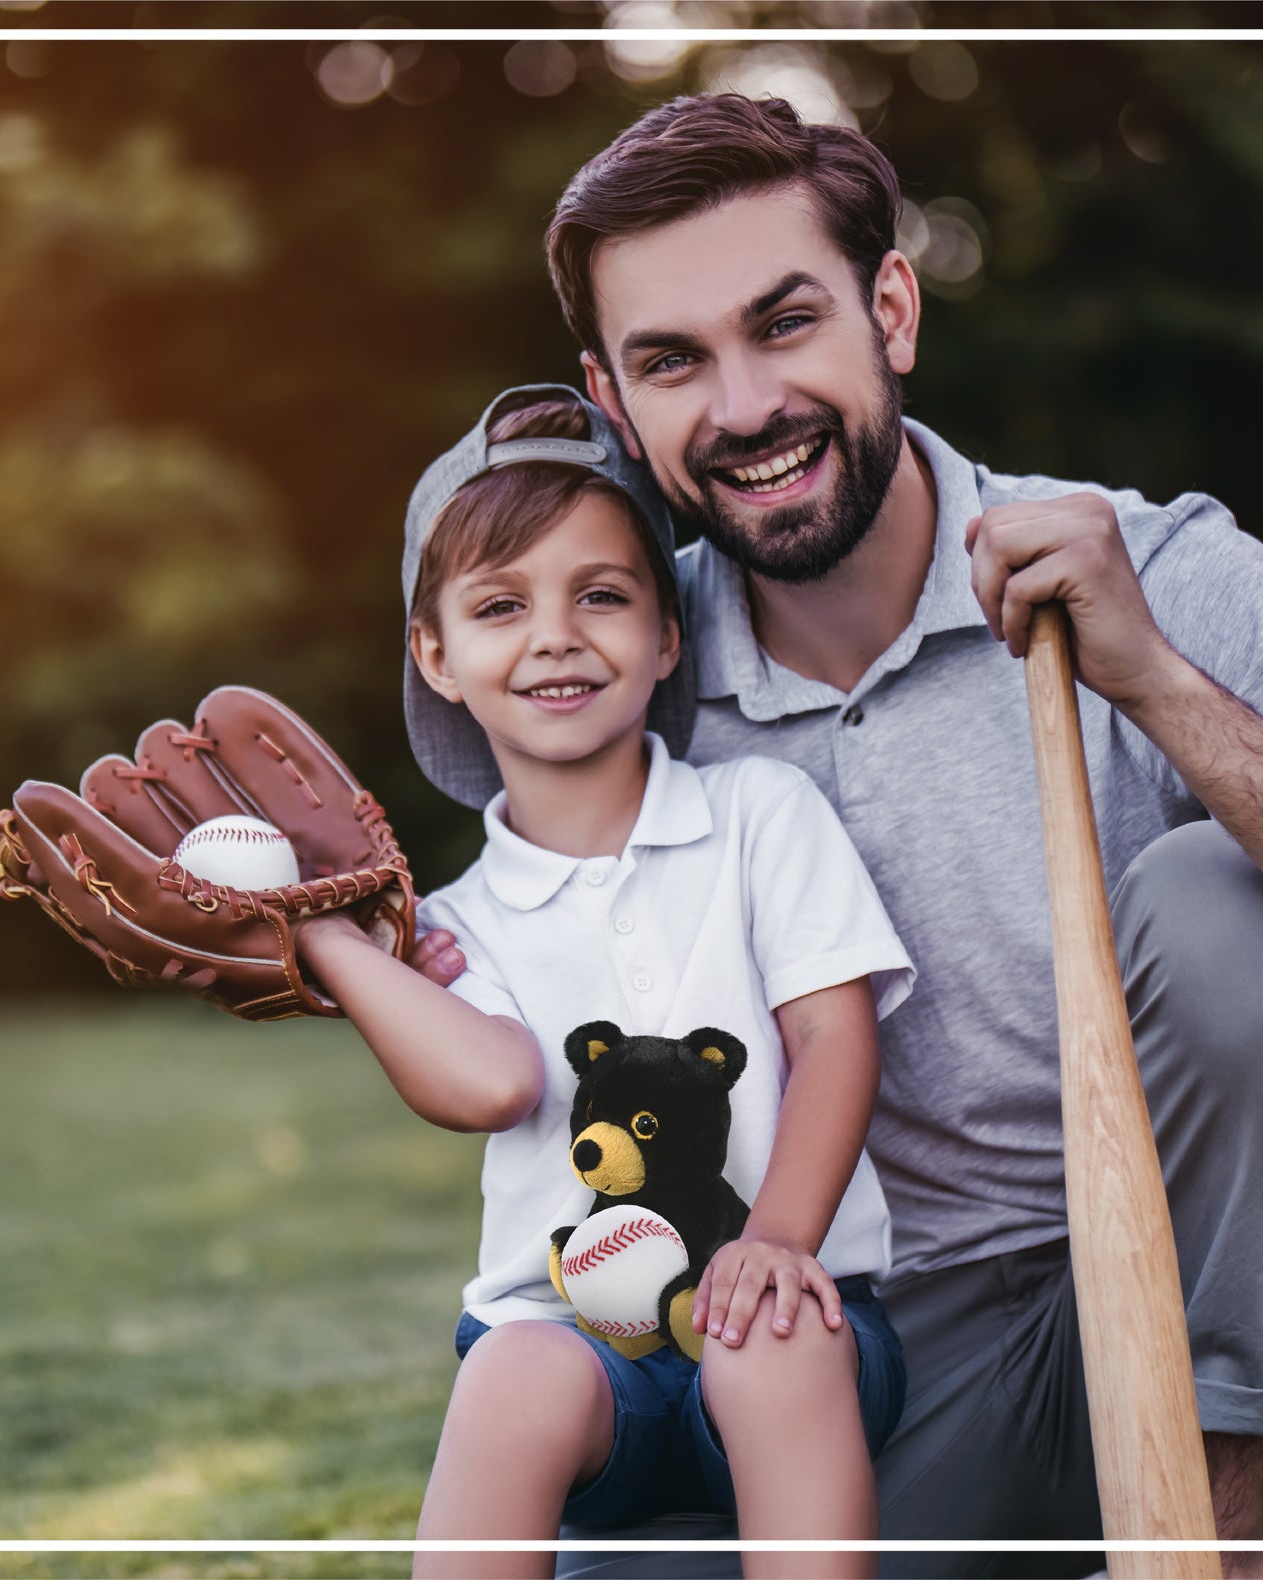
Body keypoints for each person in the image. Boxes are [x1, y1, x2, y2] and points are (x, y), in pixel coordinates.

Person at [413, 94, 1263, 1579]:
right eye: (674, 362)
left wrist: (1157, 682)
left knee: (1213, 899)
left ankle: (1201, 1555)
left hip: (1224, 1300)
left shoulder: (1161, 565)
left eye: (783, 323)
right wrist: (315, 944)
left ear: (891, 307)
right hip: (864, 1347)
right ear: (613, 402)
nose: (741, 408)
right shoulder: (621, 664)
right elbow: (488, 923)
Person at [299, 384, 914, 1580]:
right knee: (512, 1369)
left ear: (667, 631)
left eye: (601, 594)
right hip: (579, 1355)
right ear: (435, 653)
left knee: (768, 1334)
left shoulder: (757, 815)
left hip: (795, 1311)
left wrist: (774, 1239)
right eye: (496, 605)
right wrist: (330, 940)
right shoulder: (451, 926)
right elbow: (489, 1083)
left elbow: (835, 1040)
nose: (554, 635)